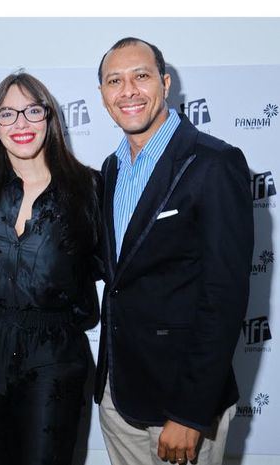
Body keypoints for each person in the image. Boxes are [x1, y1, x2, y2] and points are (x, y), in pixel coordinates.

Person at [95, 37, 253, 465]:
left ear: (165, 83)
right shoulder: (110, 169)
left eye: (140, 76)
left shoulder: (213, 162)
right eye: (114, 80)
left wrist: (190, 412)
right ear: (103, 95)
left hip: (181, 404)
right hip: (119, 395)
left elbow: (224, 296)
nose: (127, 90)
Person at [0, 72, 101, 465]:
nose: (21, 123)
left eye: (33, 111)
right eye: (7, 114)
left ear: (50, 121)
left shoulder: (91, 189)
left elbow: (113, 271)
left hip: (54, 356)